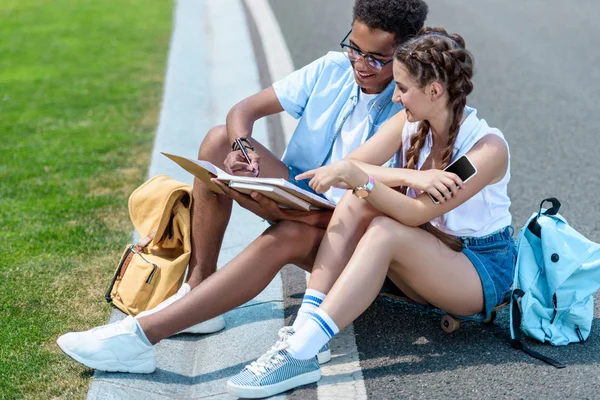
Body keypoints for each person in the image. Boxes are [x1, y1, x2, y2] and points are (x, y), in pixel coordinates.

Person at [56, 0, 429, 374]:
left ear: (404, 54)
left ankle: (139, 338)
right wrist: (242, 149)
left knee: (289, 231)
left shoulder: (409, 108)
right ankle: (198, 286)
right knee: (218, 141)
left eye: (377, 59)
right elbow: (242, 111)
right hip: (303, 197)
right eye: (355, 48)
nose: (361, 65)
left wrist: (299, 213)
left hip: (347, 237)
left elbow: (384, 212)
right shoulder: (332, 69)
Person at [226, 27, 517, 399]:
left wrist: (360, 177)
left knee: (382, 226)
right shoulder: (411, 122)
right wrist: (400, 175)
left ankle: (300, 353)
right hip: (432, 255)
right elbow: (352, 166)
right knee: (359, 198)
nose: (395, 97)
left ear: (434, 91)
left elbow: (413, 212)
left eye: (403, 88)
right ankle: (305, 329)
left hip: (477, 270)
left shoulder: (485, 150)